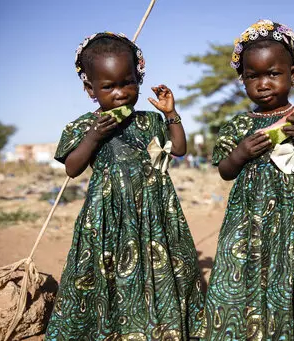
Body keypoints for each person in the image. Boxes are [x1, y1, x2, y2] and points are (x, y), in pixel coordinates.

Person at [45, 32, 204, 339]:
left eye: (127, 82)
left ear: (138, 79)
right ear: (90, 88)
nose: (120, 93)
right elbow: (72, 168)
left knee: (159, 271)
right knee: (111, 274)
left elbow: (180, 149)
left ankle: (158, 326)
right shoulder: (82, 126)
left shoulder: (149, 121)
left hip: (155, 212)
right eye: (108, 86)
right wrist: (93, 136)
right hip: (109, 215)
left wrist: (170, 113)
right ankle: (113, 328)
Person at [202, 20, 294, 340]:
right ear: (242, 79)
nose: (263, 83)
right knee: (242, 283)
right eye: (253, 76)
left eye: (273, 74)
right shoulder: (239, 125)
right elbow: (226, 171)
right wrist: (240, 153)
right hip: (246, 227)